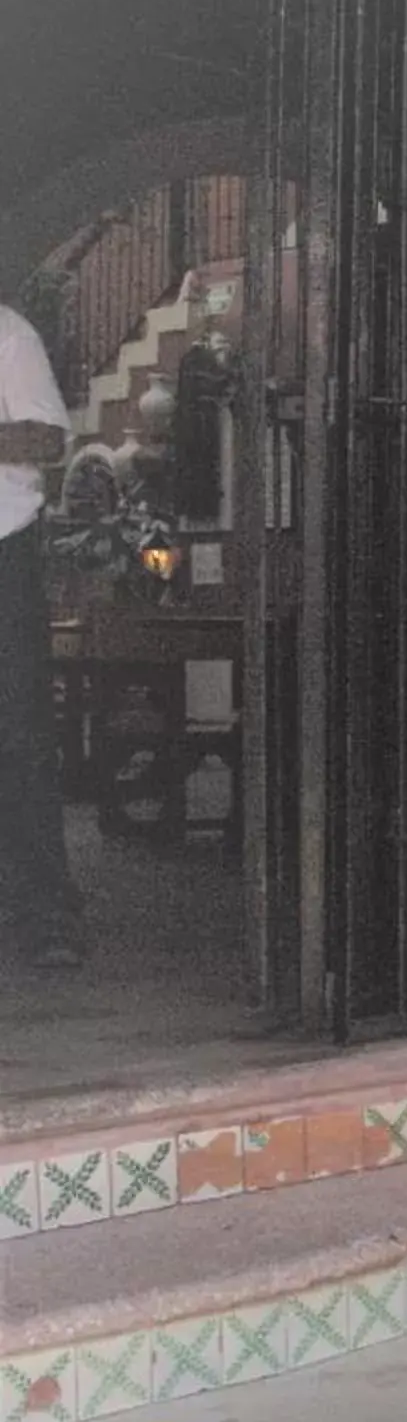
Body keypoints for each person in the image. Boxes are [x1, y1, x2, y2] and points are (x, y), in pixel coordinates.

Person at [0, 303, 82, 966]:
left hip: (1, 557)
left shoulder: (9, 334)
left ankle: (46, 914)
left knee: (19, 737)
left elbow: (50, 441)